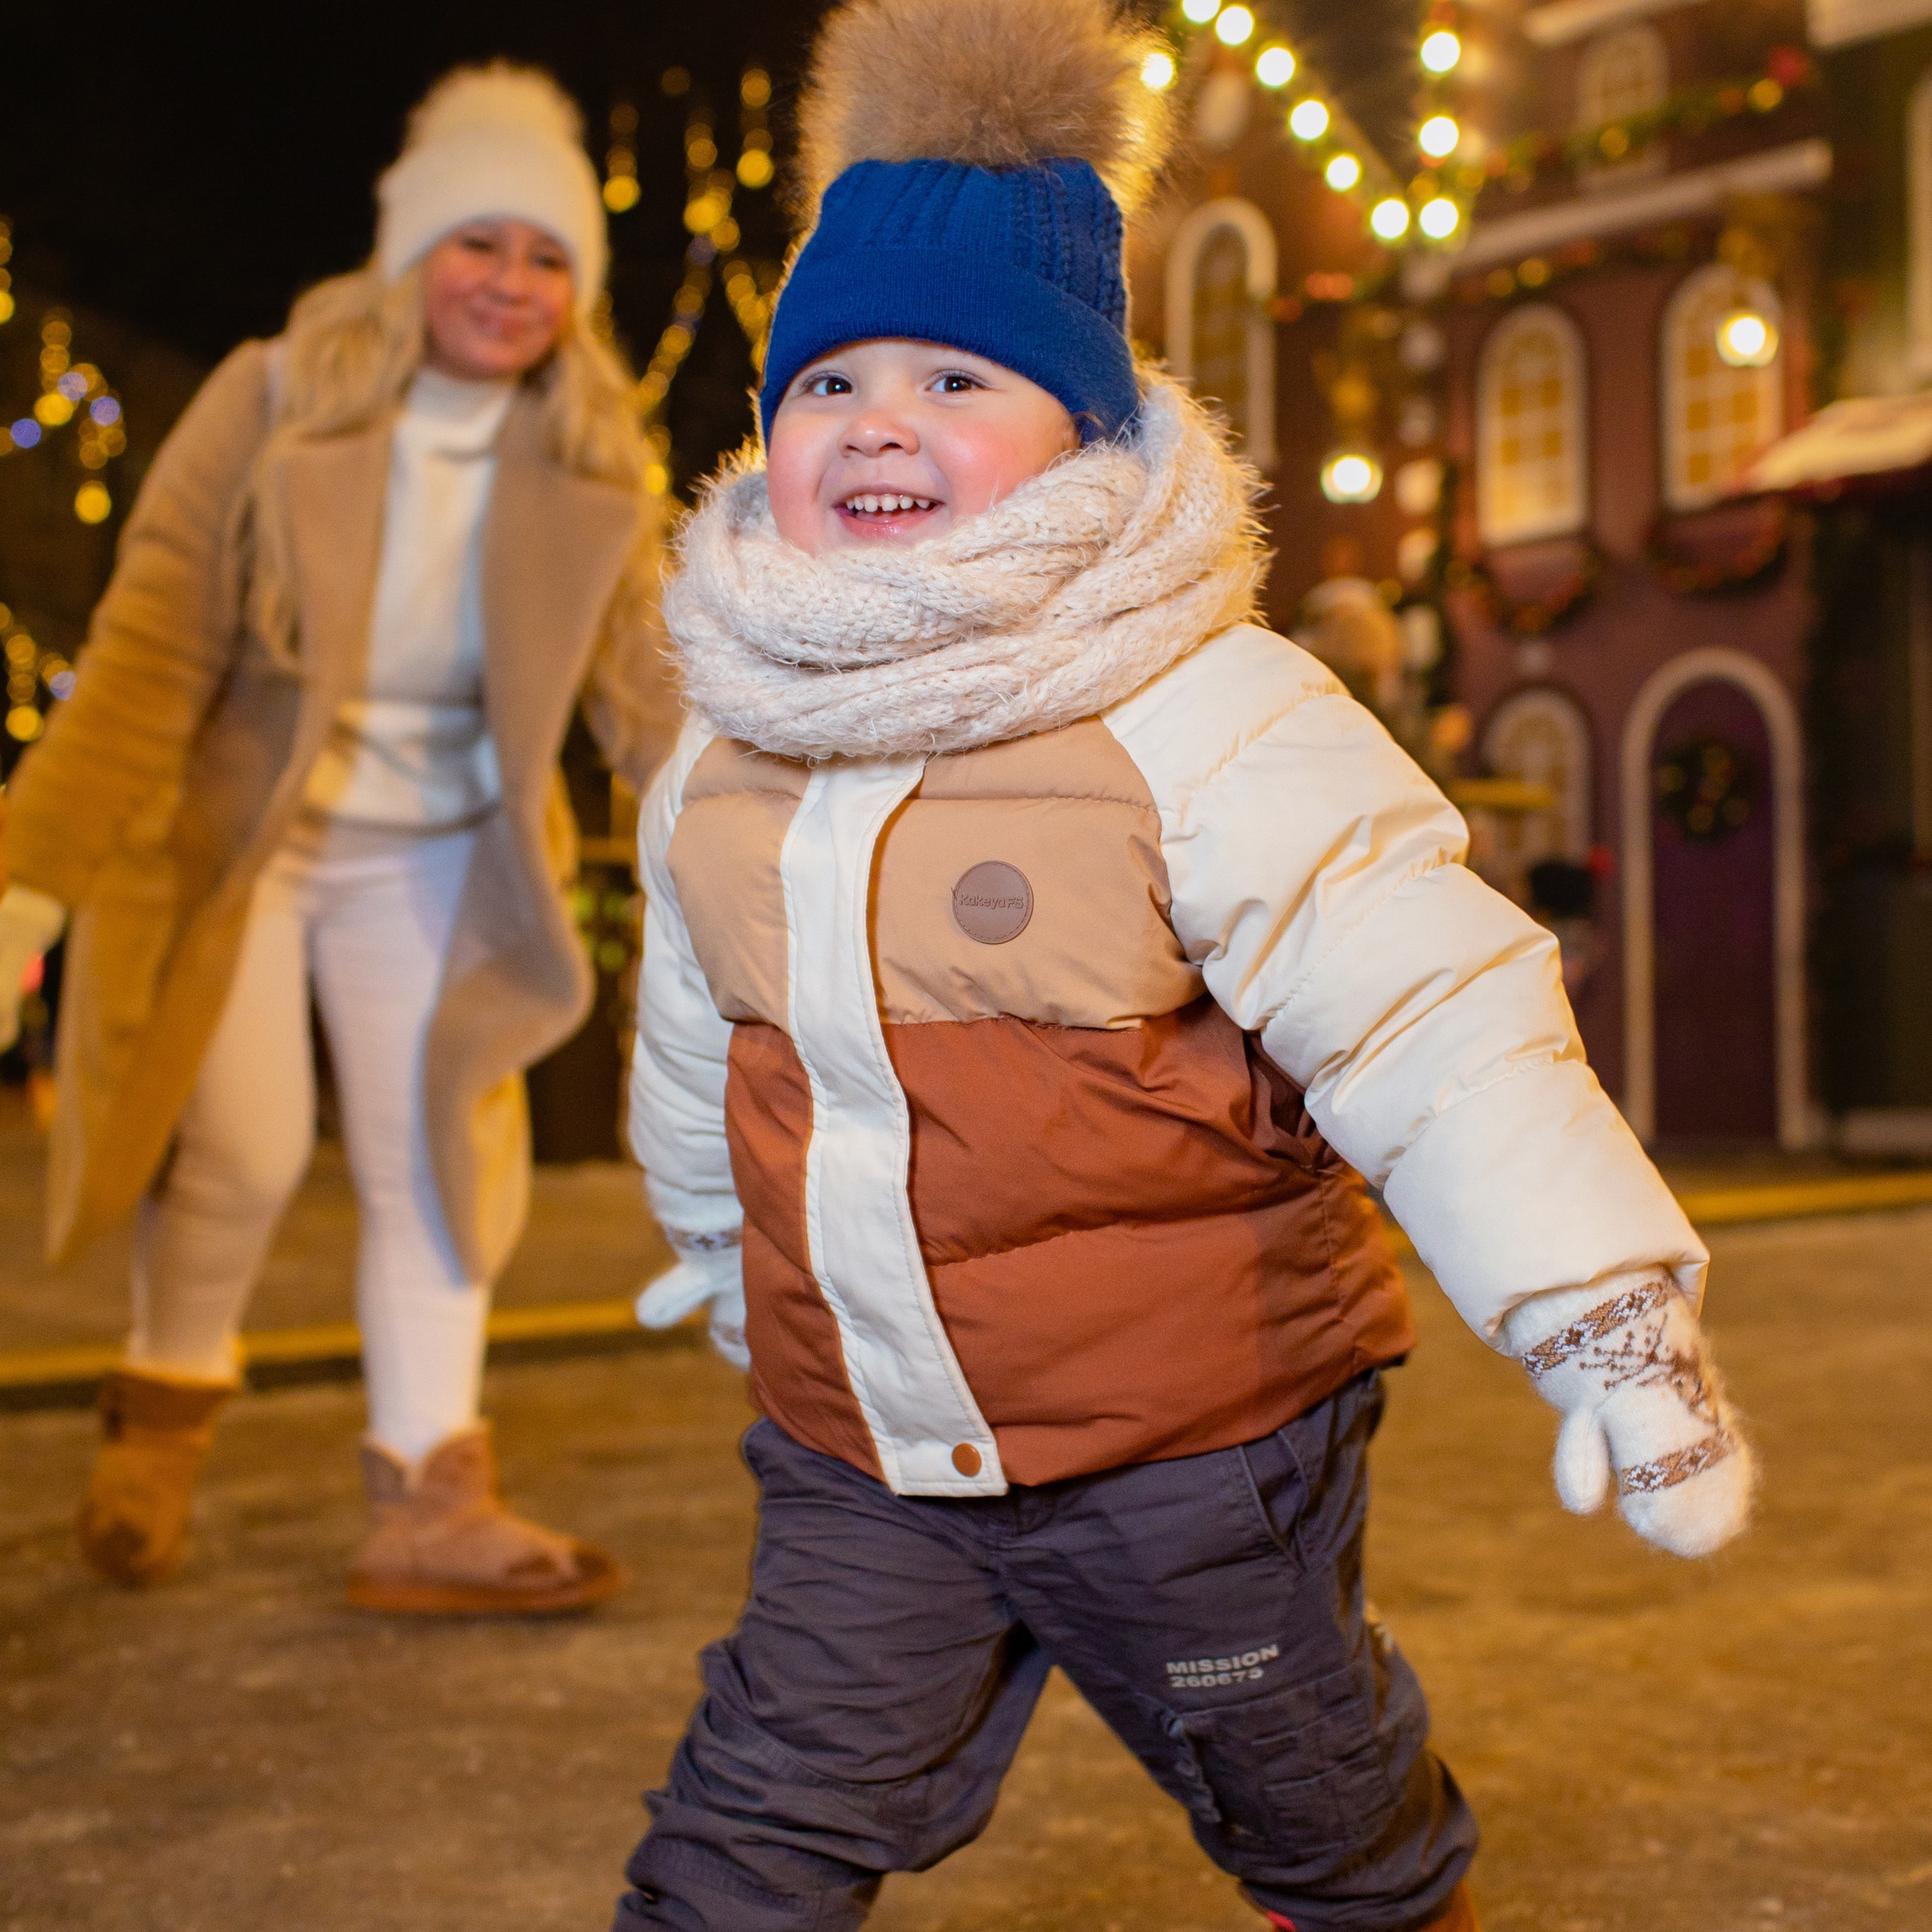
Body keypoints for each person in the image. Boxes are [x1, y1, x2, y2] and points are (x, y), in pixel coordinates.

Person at [620, 0, 1754, 1924]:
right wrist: (726, 1252)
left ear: (1089, 423)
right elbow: (699, 1036)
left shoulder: (1204, 712)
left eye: (955, 376)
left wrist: (1609, 1329)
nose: (878, 416)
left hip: (1191, 1447)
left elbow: (1437, 1022)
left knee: (1305, 1796)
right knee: (752, 1816)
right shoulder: (730, 741)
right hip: (867, 1442)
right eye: (827, 385)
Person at [0, 64, 674, 1614]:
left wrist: (764, 850)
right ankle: (163, 1409)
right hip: (245, 843)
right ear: (409, 254)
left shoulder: (591, 461)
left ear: (578, 288)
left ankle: (429, 1493)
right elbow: (149, 651)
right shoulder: (271, 397)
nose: (511, 283)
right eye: (477, 243)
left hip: (445, 857)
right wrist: (29, 874)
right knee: (232, 1142)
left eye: (548, 255)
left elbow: (647, 702)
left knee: (437, 1164)